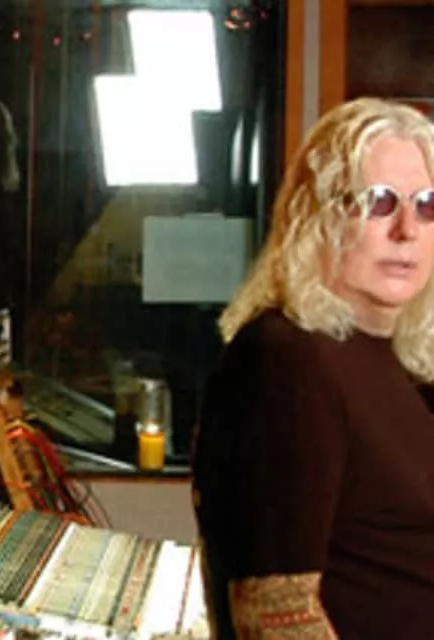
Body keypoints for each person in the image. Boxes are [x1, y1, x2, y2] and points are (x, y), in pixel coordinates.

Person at [192, 97, 434, 639]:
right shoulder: (288, 357)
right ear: (318, 214)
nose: (407, 230)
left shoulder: (400, 356)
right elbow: (275, 613)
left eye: (427, 205)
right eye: (378, 202)